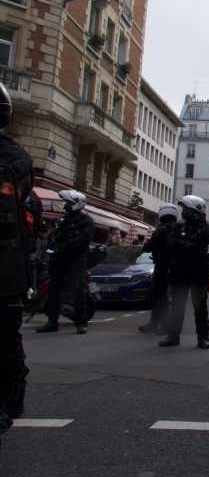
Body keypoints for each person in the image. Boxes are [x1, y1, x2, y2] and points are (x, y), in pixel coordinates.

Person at [0, 82, 34, 443]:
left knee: (5, 337)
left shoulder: (12, 159)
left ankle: (10, 400)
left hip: (6, 265)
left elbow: (7, 202)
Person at [158, 195, 209, 349]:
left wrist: (200, 224)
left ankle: (203, 337)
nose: (184, 213)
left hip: (198, 272)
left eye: (187, 210)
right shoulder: (179, 227)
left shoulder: (205, 227)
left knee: (200, 306)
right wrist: (186, 244)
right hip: (181, 270)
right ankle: (173, 335)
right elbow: (169, 243)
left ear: (196, 211)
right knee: (177, 304)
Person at [36, 189, 94, 334]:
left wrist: (61, 247)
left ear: (77, 204)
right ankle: (52, 322)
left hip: (75, 259)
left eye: (68, 202)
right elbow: (53, 236)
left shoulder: (86, 221)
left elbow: (82, 240)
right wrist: (52, 244)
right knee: (53, 290)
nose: (65, 205)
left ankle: (81, 322)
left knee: (77, 290)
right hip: (60, 259)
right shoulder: (63, 220)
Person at [138, 202, 179, 334]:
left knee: (160, 296)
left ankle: (163, 325)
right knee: (167, 296)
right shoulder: (178, 229)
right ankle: (155, 324)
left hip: (162, 265)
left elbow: (148, 247)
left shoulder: (162, 229)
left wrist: (150, 245)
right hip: (175, 266)